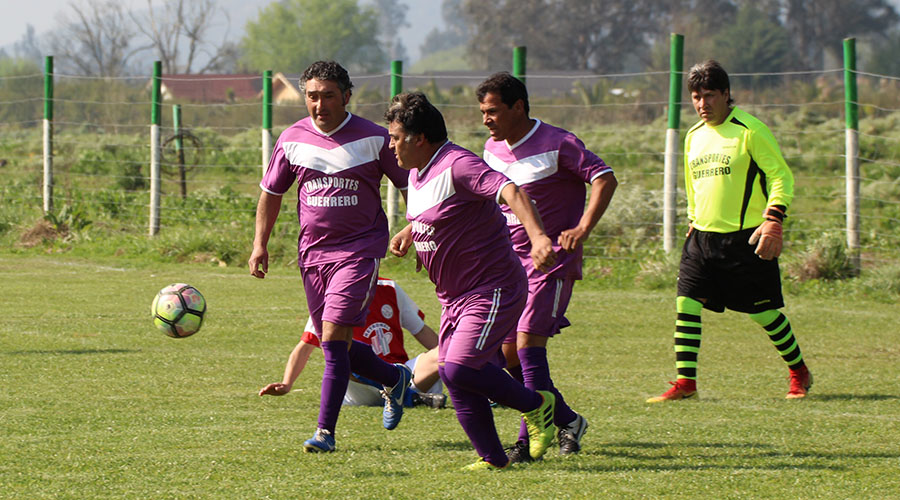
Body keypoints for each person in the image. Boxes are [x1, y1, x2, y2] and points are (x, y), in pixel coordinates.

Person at [386, 91, 559, 472]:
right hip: (454, 297)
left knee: (461, 367)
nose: (391, 144)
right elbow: (441, 212)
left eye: (396, 137)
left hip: (493, 287)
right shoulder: (417, 173)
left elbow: (510, 190)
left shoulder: (458, 164)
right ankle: (493, 459)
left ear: (419, 138)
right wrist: (411, 232)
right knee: (451, 372)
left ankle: (538, 406)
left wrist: (538, 237)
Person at [249, 61, 413, 453]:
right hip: (313, 254)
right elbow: (271, 195)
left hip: (360, 250)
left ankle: (325, 432)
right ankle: (394, 378)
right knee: (331, 342)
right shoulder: (291, 139)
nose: (319, 105)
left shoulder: (374, 138)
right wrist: (260, 244)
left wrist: (415, 228)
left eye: (327, 96)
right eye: (311, 96)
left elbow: (412, 183)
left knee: (335, 335)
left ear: (346, 96)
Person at [647, 60, 812, 403]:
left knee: (763, 314)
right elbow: (692, 185)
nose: (702, 104)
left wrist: (774, 218)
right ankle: (685, 383)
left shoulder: (750, 130)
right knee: (686, 303)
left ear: (725, 94)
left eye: (709, 95)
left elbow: (781, 176)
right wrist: (693, 219)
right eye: (695, 97)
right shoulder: (693, 136)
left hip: (746, 239)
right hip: (701, 238)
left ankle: (799, 371)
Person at [476, 72, 618, 463]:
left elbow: (605, 178)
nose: (486, 119)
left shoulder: (558, 143)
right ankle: (569, 421)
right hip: (507, 265)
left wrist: (582, 228)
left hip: (551, 262)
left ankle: (526, 443)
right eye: (483, 112)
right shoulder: (491, 149)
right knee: (504, 356)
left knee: (526, 344)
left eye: (493, 111)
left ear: (518, 107)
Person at [259, 277, 446, 409]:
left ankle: (406, 395)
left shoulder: (390, 288)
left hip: (400, 375)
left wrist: (448, 359)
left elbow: (421, 330)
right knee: (341, 352)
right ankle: (411, 398)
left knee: (448, 351)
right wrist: (286, 383)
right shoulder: (333, 295)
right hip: (359, 386)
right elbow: (306, 346)